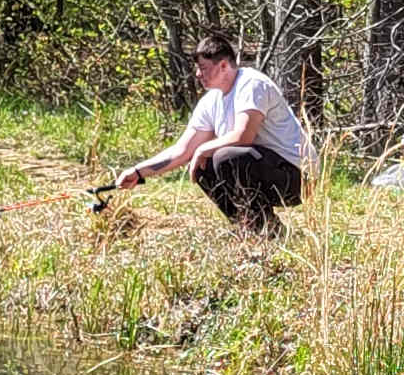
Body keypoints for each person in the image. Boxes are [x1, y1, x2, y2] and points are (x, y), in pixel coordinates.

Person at [109, 27, 307, 231]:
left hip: (297, 177)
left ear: (223, 66)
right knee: (204, 166)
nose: (197, 74)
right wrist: (138, 171)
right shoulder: (211, 101)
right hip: (264, 171)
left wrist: (203, 149)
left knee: (224, 156)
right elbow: (181, 151)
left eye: (203, 68)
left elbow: (243, 136)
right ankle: (255, 227)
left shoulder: (251, 84)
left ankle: (262, 228)